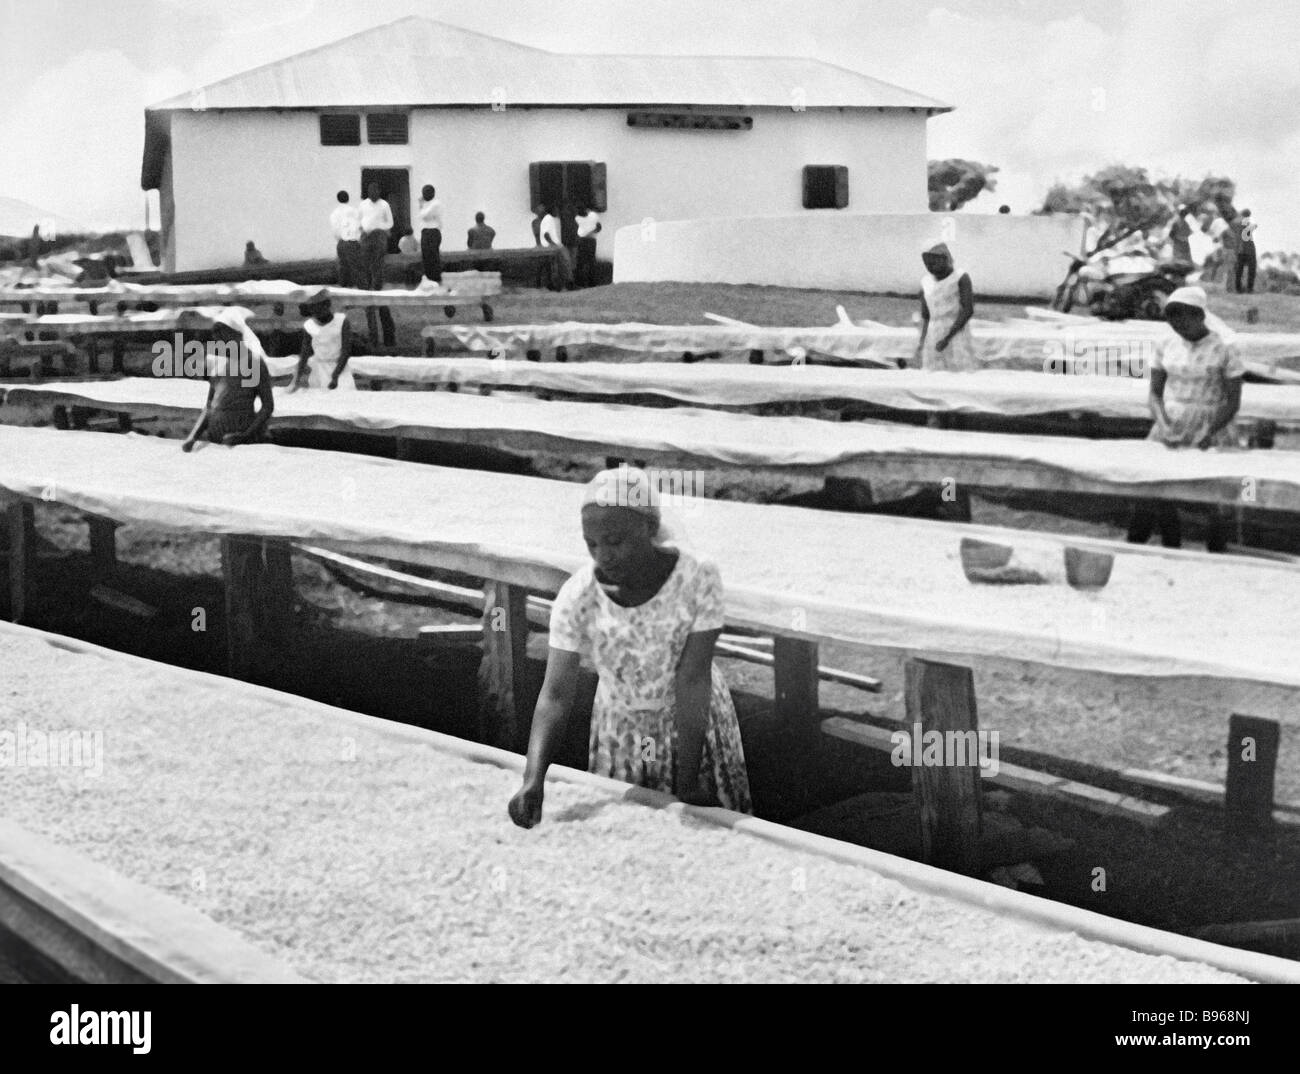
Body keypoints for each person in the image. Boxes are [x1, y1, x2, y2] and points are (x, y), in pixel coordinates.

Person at [507, 468, 752, 828]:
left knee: (703, 836)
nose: (603, 554)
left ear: (649, 529)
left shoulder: (697, 577)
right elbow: (556, 694)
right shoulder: (578, 596)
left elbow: (692, 678)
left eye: (615, 540)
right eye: (592, 544)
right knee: (629, 835)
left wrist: (687, 782)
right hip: (620, 735)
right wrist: (533, 779)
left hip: (692, 728)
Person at [1126, 286, 1243, 552]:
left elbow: (1232, 401)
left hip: (1212, 421)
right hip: (1172, 419)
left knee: (1214, 489)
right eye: (1172, 317)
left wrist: (1209, 430)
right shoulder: (1165, 344)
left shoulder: (1225, 348)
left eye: (1184, 317)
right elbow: (1154, 394)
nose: (1178, 323)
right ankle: (1162, 544)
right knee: (1153, 485)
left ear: (1201, 316)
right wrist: (1164, 424)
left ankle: (1217, 549)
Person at [180, 308, 275, 450]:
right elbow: (209, 406)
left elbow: (267, 406)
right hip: (215, 437)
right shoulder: (218, 364)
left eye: (222, 332)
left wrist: (245, 435)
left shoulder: (253, 362)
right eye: (216, 334)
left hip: (238, 438)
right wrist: (192, 437)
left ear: (236, 334)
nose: (217, 338)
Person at [915, 241, 977, 372]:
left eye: (933, 263)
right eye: (926, 265)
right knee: (932, 372)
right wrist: (922, 341)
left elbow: (968, 310)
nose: (930, 267)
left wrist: (947, 337)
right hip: (933, 334)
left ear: (945, 259)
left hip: (956, 333)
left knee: (959, 372)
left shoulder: (961, 277)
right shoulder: (925, 282)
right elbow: (926, 315)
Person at [288, 295, 354, 392]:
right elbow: (304, 354)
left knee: (343, 397)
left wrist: (335, 375)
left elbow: (345, 351)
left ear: (327, 305)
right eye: (313, 310)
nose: (316, 313)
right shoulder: (309, 325)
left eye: (319, 309)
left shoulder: (341, 321)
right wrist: (296, 380)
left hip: (340, 369)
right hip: (319, 371)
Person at [359, 181, 396, 347]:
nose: (373, 193)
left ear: (379, 191)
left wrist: (378, 227)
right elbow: (359, 221)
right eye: (370, 190)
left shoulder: (384, 205)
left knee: (378, 265)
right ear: (367, 191)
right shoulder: (362, 205)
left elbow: (390, 223)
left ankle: (377, 284)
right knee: (366, 264)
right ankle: (369, 284)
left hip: (379, 236)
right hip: (367, 238)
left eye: (375, 190)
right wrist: (366, 229)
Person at [329, 191, 363, 288]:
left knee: (343, 268)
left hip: (341, 243)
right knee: (357, 267)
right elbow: (359, 226)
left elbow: (335, 230)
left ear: (338, 199)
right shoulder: (354, 211)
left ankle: (344, 288)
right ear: (348, 199)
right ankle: (362, 290)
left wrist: (340, 238)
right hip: (353, 242)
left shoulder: (334, 213)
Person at [539, 205, 572, 291]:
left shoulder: (555, 219)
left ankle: (562, 285)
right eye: (556, 210)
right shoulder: (548, 218)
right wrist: (554, 245)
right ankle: (563, 285)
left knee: (560, 265)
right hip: (551, 247)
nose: (557, 211)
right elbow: (546, 235)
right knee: (561, 264)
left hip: (556, 245)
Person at [417, 184, 443, 283]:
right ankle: (428, 278)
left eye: (427, 193)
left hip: (433, 231)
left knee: (433, 257)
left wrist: (421, 205)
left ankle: (436, 279)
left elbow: (424, 215)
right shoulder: (425, 204)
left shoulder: (436, 203)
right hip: (425, 231)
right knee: (426, 257)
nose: (424, 195)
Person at [573, 204, 602, 288]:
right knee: (588, 262)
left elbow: (598, 227)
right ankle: (589, 282)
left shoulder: (578, 218)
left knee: (582, 262)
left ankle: (583, 283)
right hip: (590, 240)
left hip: (584, 240)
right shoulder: (592, 217)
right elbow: (598, 227)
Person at [1235, 209, 1258, 294]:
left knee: (1239, 270)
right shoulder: (1245, 223)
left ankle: (1238, 288)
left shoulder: (1237, 224)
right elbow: (1254, 227)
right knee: (1251, 270)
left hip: (1240, 250)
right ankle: (1249, 288)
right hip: (1248, 250)